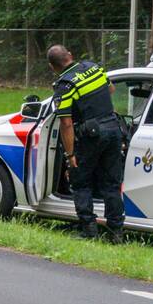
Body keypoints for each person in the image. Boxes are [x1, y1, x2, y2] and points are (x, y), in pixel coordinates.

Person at [47, 45, 124, 243]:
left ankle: (89, 229)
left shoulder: (65, 86)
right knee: (112, 184)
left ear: (52, 67)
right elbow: (111, 89)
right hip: (114, 130)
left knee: (80, 181)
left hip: (91, 137)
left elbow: (66, 123)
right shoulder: (94, 67)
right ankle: (116, 232)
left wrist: (70, 155)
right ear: (70, 55)